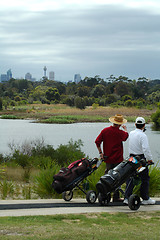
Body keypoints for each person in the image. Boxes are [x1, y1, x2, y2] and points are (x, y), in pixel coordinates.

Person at [95, 114, 128, 202]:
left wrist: (101, 153)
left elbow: (97, 142)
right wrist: (125, 130)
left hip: (108, 159)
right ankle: (116, 197)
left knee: (107, 176)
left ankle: (104, 194)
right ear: (120, 124)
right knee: (117, 178)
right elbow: (125, 137)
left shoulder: (105, 131)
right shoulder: (120, 133)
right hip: (118, 160)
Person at [123, 117, 156, 205]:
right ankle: (145, 198)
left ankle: (126, 197)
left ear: (135, 124)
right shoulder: (143, 135)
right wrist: (150, 159)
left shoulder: (131, 133)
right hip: (140, 159)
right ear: (144, 125)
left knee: (130, 177)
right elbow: (145, 149)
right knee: (145, 178)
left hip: (131, 158)